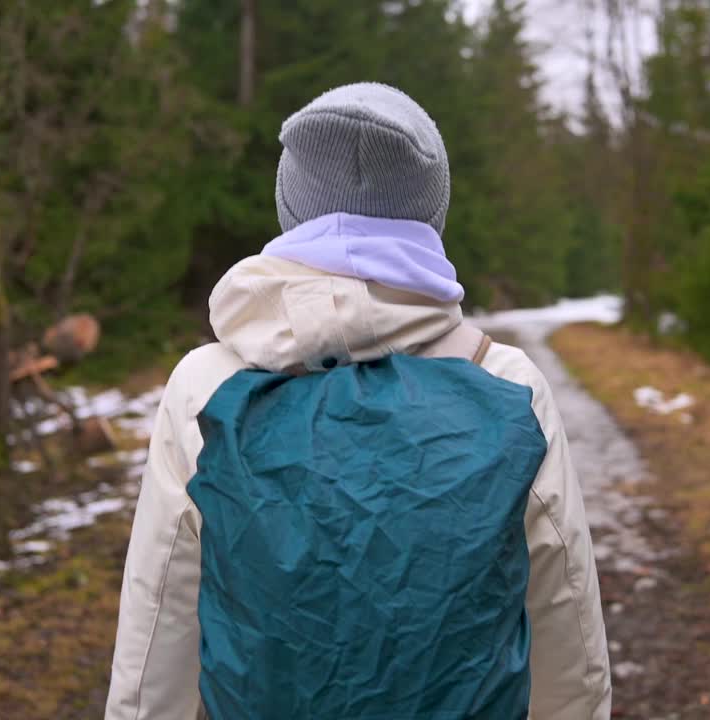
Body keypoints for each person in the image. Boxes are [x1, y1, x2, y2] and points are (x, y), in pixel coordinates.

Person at [104, 83, 611, 720]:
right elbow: (567, 625)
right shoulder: (506, 381)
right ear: (430, 216)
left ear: (292, 209)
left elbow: (160, 613)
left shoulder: (206, 383)